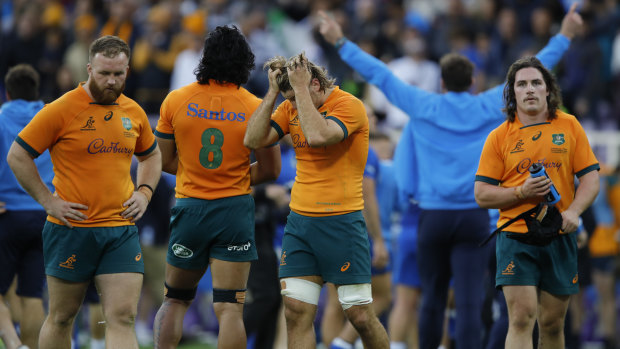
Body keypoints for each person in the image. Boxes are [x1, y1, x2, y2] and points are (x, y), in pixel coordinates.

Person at [318, 4, 583, 348]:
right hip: (474, 216)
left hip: (431, 216)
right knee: (471, 303)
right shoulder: (489, 105)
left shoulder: (423, 105)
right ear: (473, 82)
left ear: (441, 83)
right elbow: (539, 67)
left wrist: (340, 42)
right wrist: (565, 35)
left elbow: (379, 74)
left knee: (431, 298)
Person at [6, 35, 162, 349]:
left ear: (127, 71)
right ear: (89, 69)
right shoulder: (62, 109)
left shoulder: (133, 112)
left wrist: (144, 192)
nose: (112, 81)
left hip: (120, 230)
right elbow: (17, 155)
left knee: (122, 317)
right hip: (70, 229)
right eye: (104, 73)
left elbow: (152, 155)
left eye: (118, 74)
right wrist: (48, 201)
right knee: (63, 316)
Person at [244, 52, 390, 349]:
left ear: (315, 83)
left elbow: (318, 136)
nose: (293, 106)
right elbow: (253, 140)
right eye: (291, 100)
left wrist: (299, 92)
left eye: (296, 96)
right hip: (300, 225)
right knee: (296, 313)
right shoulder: (288, 105)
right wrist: (273, 93)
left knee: (359, 315)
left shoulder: (349, 105)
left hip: (343, 222)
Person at [152, 25, 281, 349]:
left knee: (175, 299)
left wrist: (197, 174)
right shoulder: (255, 106)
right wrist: (231, 176)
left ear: (205, 59)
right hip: (234, 212)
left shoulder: (176, 100)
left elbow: (163, 160)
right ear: (245, 64)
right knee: (230, 308)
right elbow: (271, 170)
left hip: (190, 209)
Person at [474, 56, 600, 348]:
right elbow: (481, 194)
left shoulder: (569, 125)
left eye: (536, 83)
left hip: (559, 235)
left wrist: (574, 212)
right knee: (520, 317)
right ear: (512, 93)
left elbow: (591, 179)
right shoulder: (498, 137)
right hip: (516, 238)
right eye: (522, 84)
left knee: (553, 324)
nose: (529, 89)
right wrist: (521, 192)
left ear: (548, 90)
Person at [0, 64, 48, 349]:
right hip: (45, 213)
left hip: (7, 215)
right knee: (32, 295)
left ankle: (14, 344)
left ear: (7, 93)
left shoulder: (1, 118)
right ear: (36, 91)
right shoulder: (50, 117)